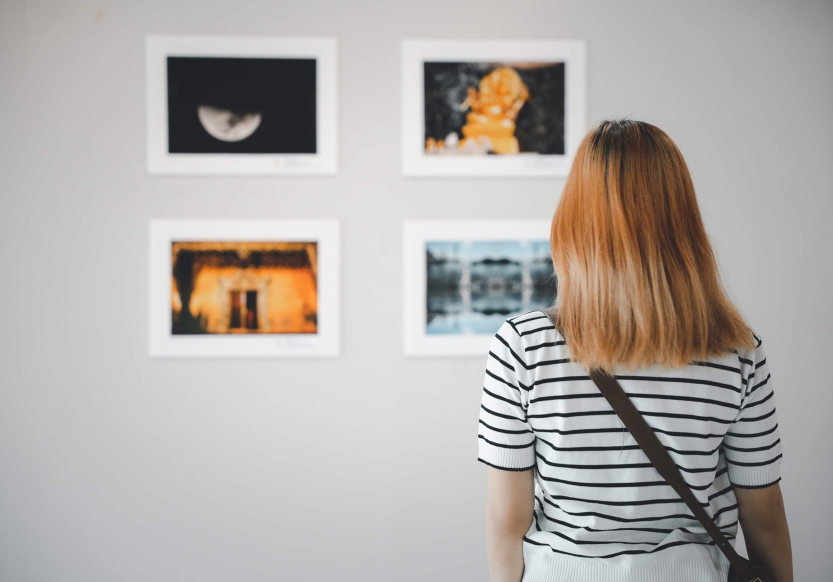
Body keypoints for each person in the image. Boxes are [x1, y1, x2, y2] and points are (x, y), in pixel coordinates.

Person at [478, 120, 792, 582]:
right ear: (681, 218)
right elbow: (762, 513)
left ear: (574, 218)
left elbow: (508, 519)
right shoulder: (737, 350)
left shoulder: (523, 346)